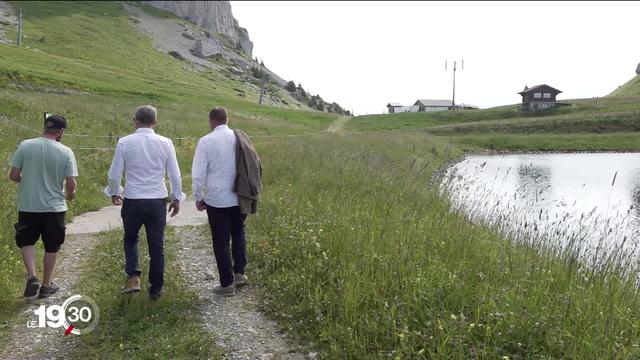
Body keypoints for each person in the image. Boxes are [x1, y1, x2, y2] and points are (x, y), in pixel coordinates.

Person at [106, 105, 184, 301]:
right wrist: (176, 197)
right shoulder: (166, 143)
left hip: (133, 199)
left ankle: (133, 276)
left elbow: (115, 174)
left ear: (135, 121)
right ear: (155, 122)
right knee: (157, 246)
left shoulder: (124, 142)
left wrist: (115, 192)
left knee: (131, 238)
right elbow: (174, 174)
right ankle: (156, 288)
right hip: (157, 199)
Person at [192, 106, 261, 297]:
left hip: (216, 198)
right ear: (227, 120)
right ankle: (240, 273)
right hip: (240, 195)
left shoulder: (206, 141)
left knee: (220, 240)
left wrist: (198, 197)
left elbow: (198, 174)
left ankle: (226, 284)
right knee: (239, 232)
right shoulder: (239, 139)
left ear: (211, 120)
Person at [9, 114, 77, 299]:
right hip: (54, 207)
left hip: (28, 204)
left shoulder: (26, 145)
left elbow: (14, 175)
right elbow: (71, 184)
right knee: (52, 246)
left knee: (26, 241)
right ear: (61, 131)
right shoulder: (66, 151)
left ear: (45, 127)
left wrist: (29, 180)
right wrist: (70, 194)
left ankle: (32, 276)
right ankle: (46, 285)